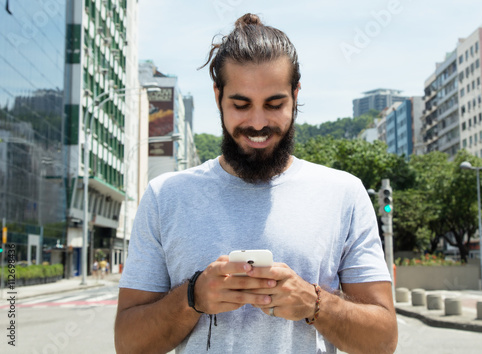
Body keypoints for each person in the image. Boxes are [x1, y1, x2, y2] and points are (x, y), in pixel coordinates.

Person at [115, 13, 397, 354]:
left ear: (295, 95)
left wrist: (314, 304)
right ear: (218, 96)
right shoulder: (165, 197)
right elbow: (128, 344)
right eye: (241, 104)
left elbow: (383, 342)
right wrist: (193, 297)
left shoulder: (344, 194)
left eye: (275, 104)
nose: (258, 123)